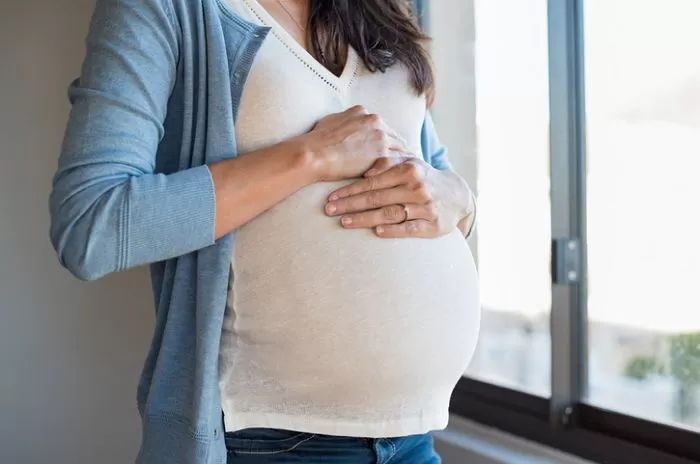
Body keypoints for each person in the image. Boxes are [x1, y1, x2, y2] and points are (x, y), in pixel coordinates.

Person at [48, 0, 480, 463]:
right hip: (273, 442)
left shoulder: (377, 10)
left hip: (413, 437)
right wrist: (309, 157)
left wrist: (459, 199)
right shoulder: (164, 10)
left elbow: (433, 178)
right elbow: (91, 226)